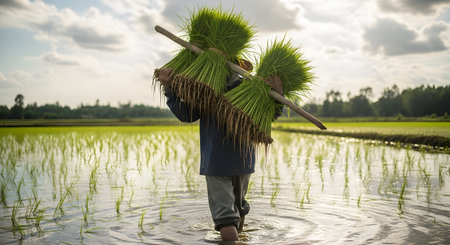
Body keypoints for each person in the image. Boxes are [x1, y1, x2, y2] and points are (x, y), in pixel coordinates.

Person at [158, 61, 280, 241]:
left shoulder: (206, 89)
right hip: (244, 162)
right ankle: (240, 238)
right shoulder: (251, 89)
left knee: (226, 219)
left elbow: (186, 114)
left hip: (217, 163)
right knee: (238, 209)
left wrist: (168, 88)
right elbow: (270, 115)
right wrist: (278, 95)